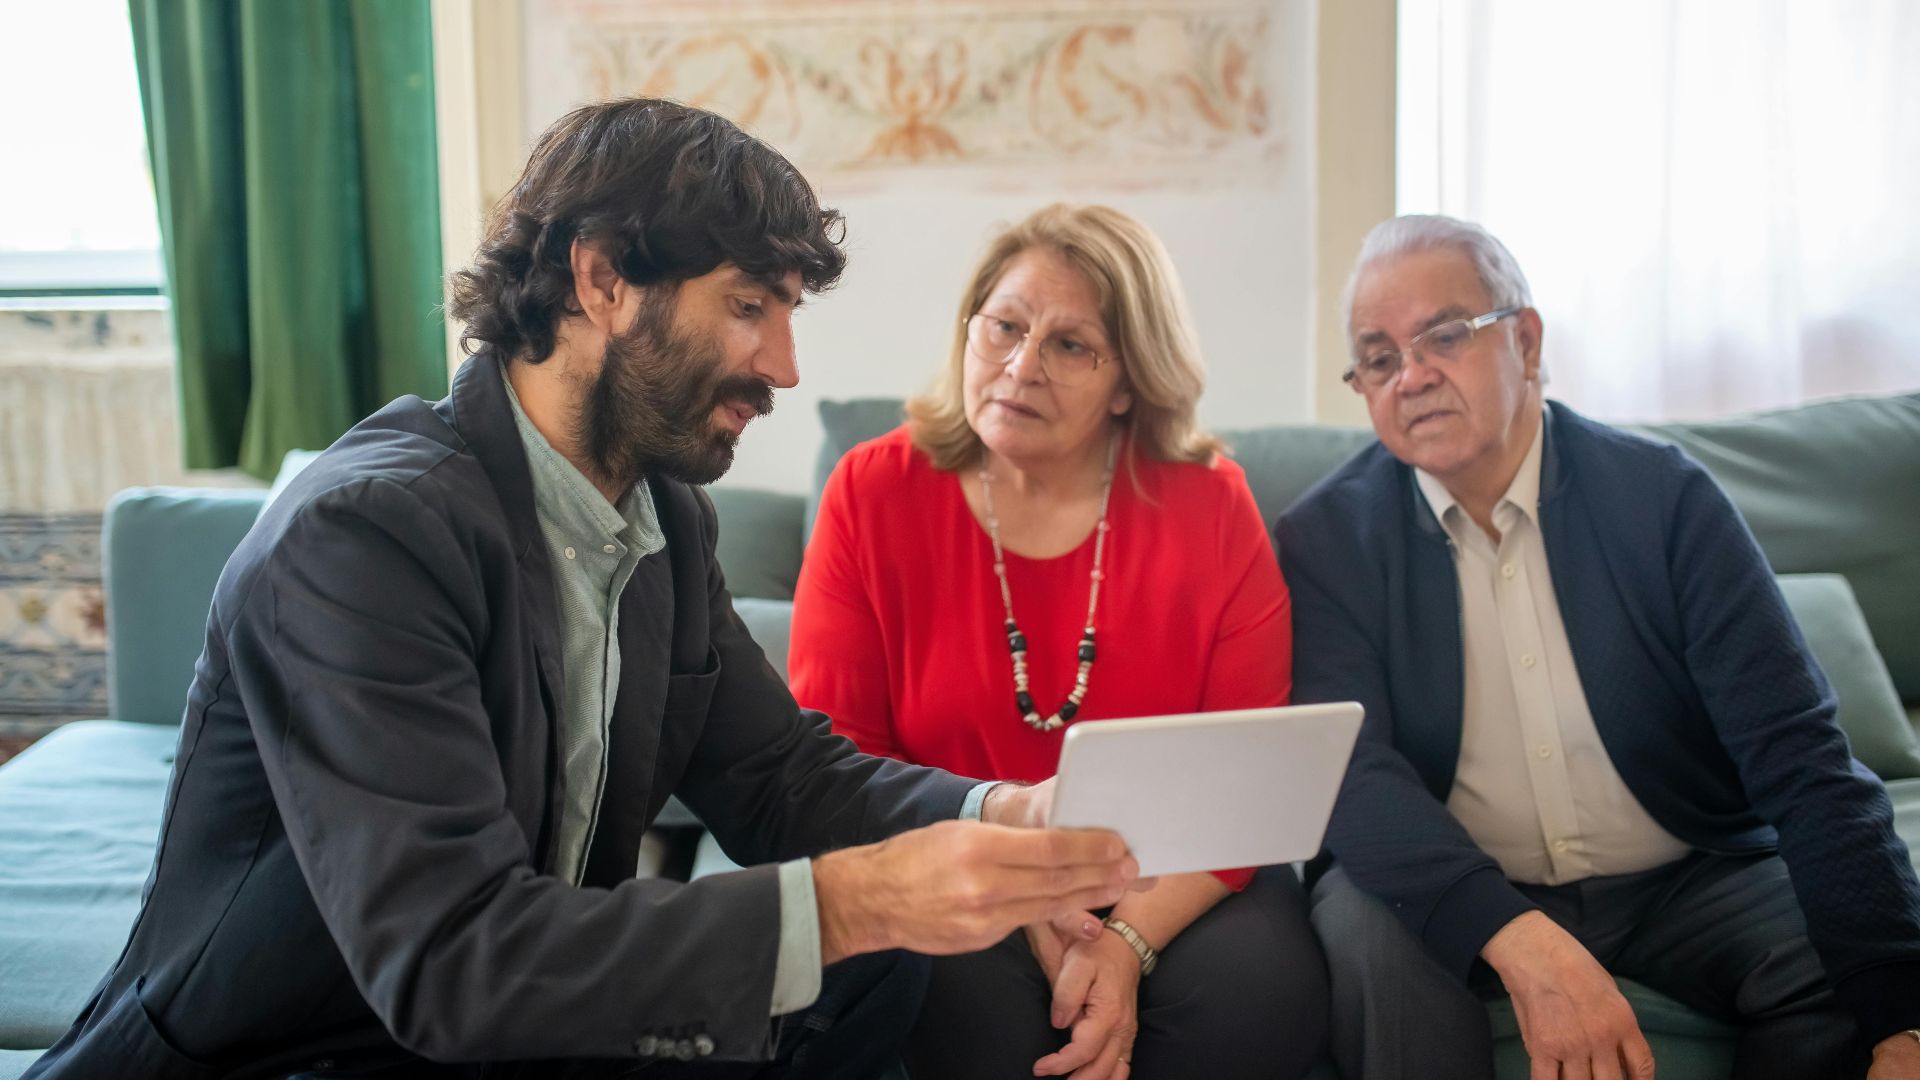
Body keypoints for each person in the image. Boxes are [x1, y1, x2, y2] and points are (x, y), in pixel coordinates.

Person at [23, 99, 1146, 1080]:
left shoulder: (662, 515)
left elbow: (776, 774)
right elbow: (450, 961)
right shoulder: (364, 535)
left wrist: (1002, 817)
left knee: (876, 969)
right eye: (750, 305)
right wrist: (865, 896)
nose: (785, 365)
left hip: (522, 1039)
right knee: (859, 927)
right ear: (602, 280)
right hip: (311, 1052)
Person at [1277, 213, 1920, 1080]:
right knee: (1364, 931)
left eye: (1444, 336)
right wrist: (1516, 935)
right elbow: (1351, 775)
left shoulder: (1666, 501)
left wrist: (1901, 1021)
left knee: (1828, 954)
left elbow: (1798, 751)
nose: (1413, 377)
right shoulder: (1327, 540)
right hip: (1460, 880)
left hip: (1686, 875)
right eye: (1381, 357)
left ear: (1527, 340)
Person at [788, 203, 1330, 1080]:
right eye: (1004, 326)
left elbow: (1247, 776)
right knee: (979, 1022)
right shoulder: (872, 492)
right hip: (953, 858)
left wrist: (1120, 946)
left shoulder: (1210, 503)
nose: (1020, 366)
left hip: (1177, 873)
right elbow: (838, 756)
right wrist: (1023, 895)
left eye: (1071, 345)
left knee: (1256, 999)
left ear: (1127, 381)